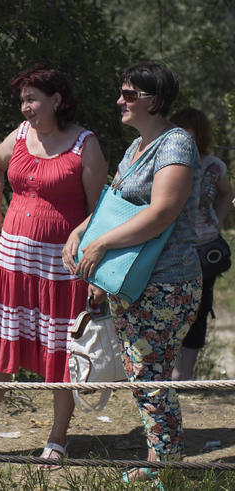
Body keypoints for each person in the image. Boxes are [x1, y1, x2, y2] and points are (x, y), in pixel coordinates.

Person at [0, 64, 107, 465]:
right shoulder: (20, 134)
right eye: (22, 100)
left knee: (60, 351)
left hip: (59, 269)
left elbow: (100, 209)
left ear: (57, 99)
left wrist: (87, 249)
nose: (25, 108)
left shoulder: (85, 144)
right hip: (14, 263)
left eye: (32, 99)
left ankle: (57, 439)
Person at [65, 62, 201, 482]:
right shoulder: (137, 147)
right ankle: (159, 463)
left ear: (153, 100)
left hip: (167, 284)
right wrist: (82, 231)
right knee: (144, 376)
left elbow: (162, 213)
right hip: (135, 283)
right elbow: (115, 204)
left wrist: (101, 244)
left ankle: (166, 472)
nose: (119, 101)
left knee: (149, 376)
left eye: (129, 95)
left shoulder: (176, 143)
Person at [170, 108, 233, 381]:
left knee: (199, 309)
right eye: (177, 128)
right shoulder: (167, 160)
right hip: (172, 248)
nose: (181, 134)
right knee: (172, 307)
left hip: (205, 248)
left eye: (187, 129)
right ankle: (168, 370)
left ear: (199, 133)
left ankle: (184, 374)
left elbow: (227, 193)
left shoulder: (214, 166)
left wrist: (216, 222)